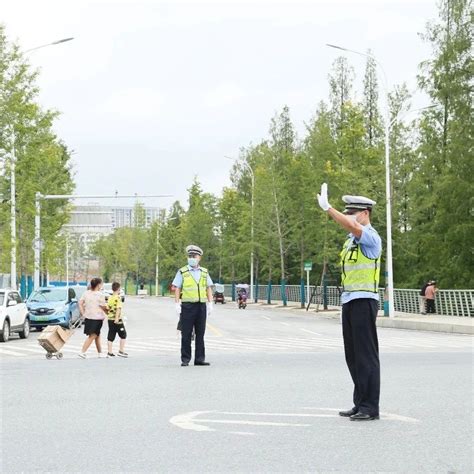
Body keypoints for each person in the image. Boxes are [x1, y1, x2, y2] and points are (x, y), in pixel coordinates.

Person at [317, 183, 382, 421]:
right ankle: (359, 402)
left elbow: (352, 227)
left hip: (365, 300)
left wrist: (329, 209)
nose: (347, 217)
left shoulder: (371, 237)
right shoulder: (350, 240)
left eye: (351, 213)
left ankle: (370, 407)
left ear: (365, 213)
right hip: (350, 301)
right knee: (353, 355)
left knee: (366, 355)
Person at [172, 245, 214, 367]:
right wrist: (177, 303)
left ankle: (200, 359)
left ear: (199, 257)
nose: (191, 258)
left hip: (201, 306)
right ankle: (185, 359)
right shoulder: (182, 271)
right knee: (186, 333)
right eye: (190, 256)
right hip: (187, 306)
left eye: (194, 256)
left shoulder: (204, 272)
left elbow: (208, 288)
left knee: (200, 333)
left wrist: (210, 303)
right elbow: (177, 288)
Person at [78, 277, 108, 359]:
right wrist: (109, 312)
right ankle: (82, 352)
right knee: (93, 335)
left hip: (88, 317)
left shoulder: (86, 293)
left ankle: (100, 352)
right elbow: (103, 307)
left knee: (97, 335)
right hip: (97, 318)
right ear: (98, 285)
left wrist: (82, 313)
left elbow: (80, 303)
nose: (101, 285)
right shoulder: (100, 295)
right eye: (101, 284)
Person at [106, 282, 128, 358]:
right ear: (118, 289)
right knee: (123, 334)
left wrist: (109, 316)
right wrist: (116, 319)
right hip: (117, 320)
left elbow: (107, 308)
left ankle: (109, 352)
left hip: (110, 319)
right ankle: (121, 351)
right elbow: (118, 308)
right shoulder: (118, 298)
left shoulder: (110, 298)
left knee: (111, 335)